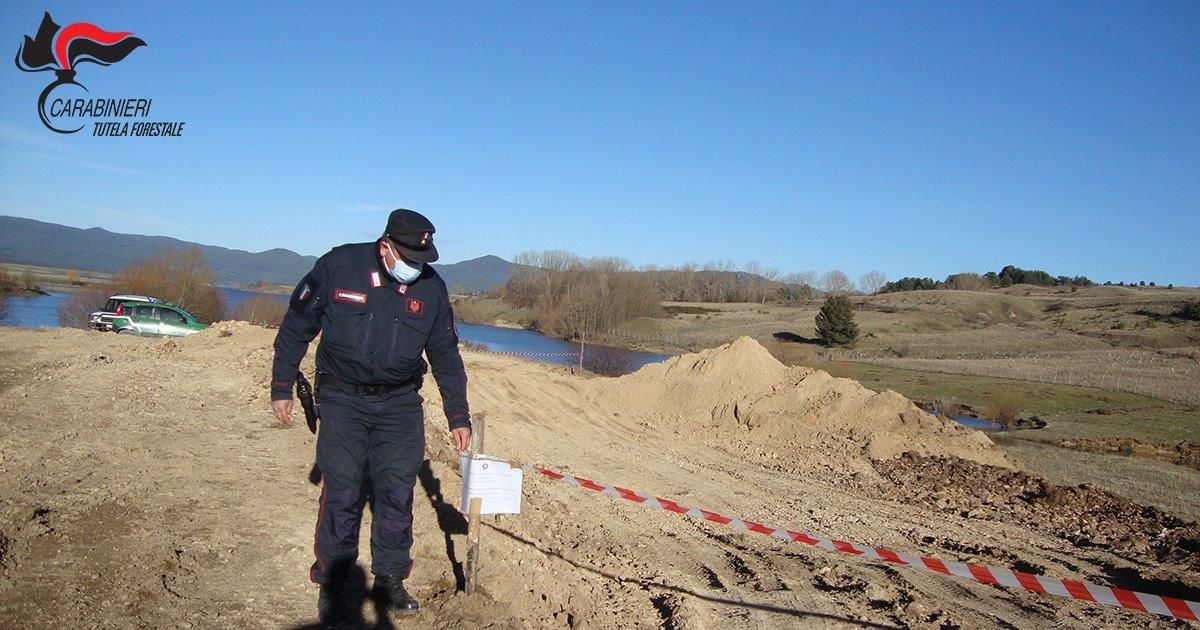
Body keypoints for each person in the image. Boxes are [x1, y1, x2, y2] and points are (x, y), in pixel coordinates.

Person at [270, 208, 471, 622]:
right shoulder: (338, 267)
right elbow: (296, 326)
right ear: (385, 247)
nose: (415, 267)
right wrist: (281, 385)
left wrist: (458, 415)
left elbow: (446, 355)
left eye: (422, 260)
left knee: (397, 491)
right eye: (409, 258)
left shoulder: (432, 289)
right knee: (342, 489)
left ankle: (390, 578)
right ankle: (333, 581)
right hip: (342, 397)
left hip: (399, 403)